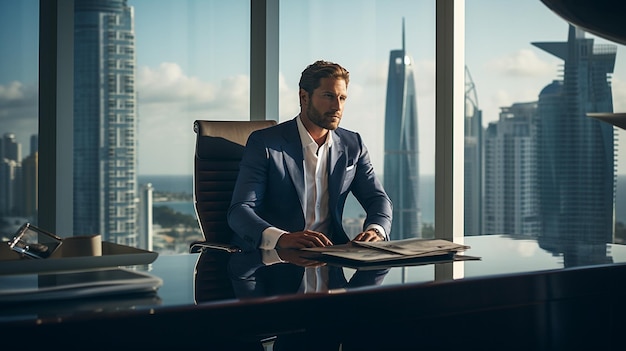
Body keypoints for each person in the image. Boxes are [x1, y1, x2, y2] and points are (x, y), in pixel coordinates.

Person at [227, 60, 392, 251]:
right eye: (329, 96)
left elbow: (377, 199)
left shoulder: (353, 144)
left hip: (331, 259)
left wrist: (376, 230)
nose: (337, 107)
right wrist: (282, 239)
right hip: (275, 261)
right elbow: (240, 211)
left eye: (342, 98)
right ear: (304, 97)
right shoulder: (265, 144)